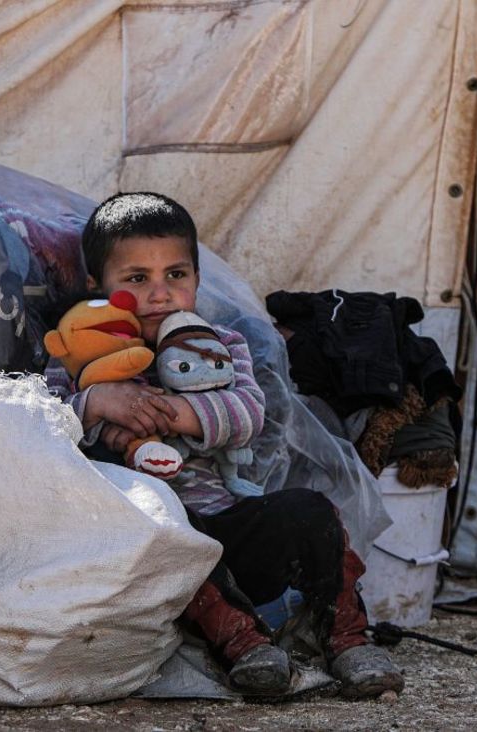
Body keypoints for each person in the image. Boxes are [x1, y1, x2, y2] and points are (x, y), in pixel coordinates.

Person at [47, 191, 403, 699]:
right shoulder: (79, 357)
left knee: (311, 510)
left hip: (226, 524)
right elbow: (40, 430)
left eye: (176, 274)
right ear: (95, 286)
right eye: (135, 279)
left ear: (196, 277)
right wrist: (98, 401)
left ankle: (345, 638)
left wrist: (167, 413)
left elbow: (246, 415)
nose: (160, 294)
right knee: (167, 530)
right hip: (146, 540)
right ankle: (245, 646)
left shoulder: (218, 345)